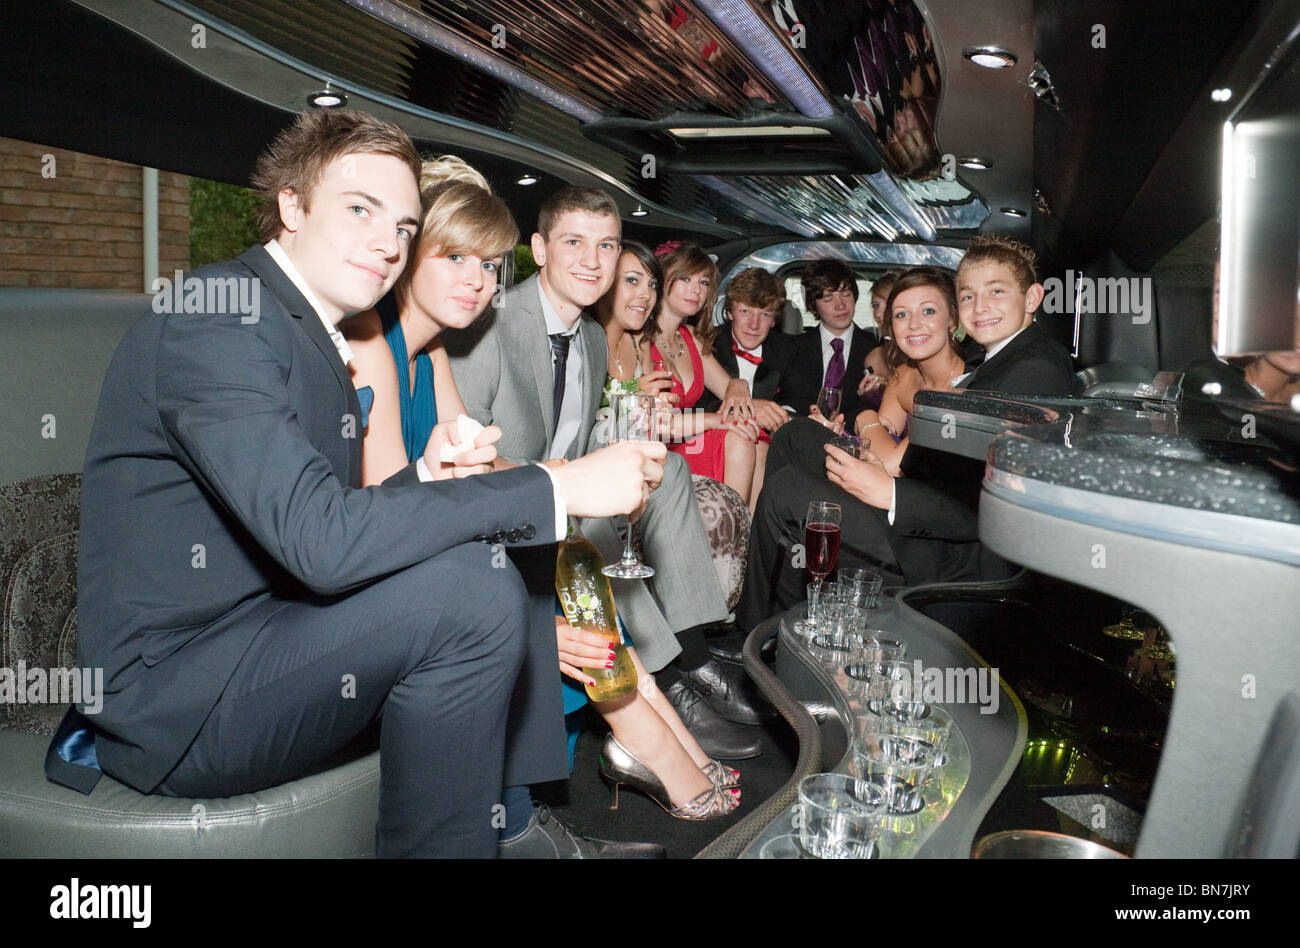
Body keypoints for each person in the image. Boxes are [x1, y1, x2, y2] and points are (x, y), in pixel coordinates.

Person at [45, 109, 664, 859]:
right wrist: (554, 486)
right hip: (177, 701)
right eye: (360, 210)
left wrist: (427, 476)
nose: (387, 244)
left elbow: (326, 521)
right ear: (293, 205)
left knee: (484, 568)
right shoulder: (219, 320)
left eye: (404, 227)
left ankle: (509, 825)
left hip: (261, 640)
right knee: (470, 591)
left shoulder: (305, 330)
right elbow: (319, 543)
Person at [344, 183, 739, 828]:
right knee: (570, 598)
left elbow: (467, 460)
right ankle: (656, 750)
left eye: (485, 265)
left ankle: (668, 737)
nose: (476, 282)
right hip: (421, 558)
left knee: (585, 583)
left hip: (475, 526)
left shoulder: (440, 347)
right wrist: (570, 483)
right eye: (454, 259)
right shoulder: (392, 343)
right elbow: (399, 510)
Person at [444, 187, 763, 759]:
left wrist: (627, 450)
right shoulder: (486, 324)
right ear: (539, 249)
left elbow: (583, 433)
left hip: (565, 497)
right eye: (574, 243)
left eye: (607, 246)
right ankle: (671, 679)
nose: (593, 261)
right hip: (503, 511)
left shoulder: (591, 335)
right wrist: (569, 480)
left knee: (670, 476)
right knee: (605, 524)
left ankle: (694, 653)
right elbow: (463, 462)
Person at [737, 236, 1077, 631]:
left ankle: (756, 634)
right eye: (968, 296)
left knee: (786, 490)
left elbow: (1007, 502)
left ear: (1033, 297)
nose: (979, 308)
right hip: (931, 511)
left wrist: (891, 492)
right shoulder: (999, 362)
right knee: (795, 435)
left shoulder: (1031, 370)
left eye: (996, 292)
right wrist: (877, 462)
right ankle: (792, 616)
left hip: (954, 555)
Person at [645, 245, 762, 506]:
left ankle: (740, 533)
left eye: (704, 282)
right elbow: (651, 425)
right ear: (661, 278)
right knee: (740, 436)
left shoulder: (693, 339)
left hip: (686, 441)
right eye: (685, 278)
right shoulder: (640, 337)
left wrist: (738, 383)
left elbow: (728, 389)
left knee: (749, 432)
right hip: (657, 447)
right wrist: (713, 420)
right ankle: (736, 532)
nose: (696, 289)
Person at [693, 266, 798, 509]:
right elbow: (696, 403)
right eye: (745, 311)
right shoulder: (706, 344)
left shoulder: (789, 350)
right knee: (754, 444)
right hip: (710, 435)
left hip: (771, 444)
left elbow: (799, 400)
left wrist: (778, 416)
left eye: (765, 315)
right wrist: (748, 410)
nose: (753, 324)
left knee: (762, 446)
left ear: (774, 321)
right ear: (729, 312)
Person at [783, 258, 881, 433]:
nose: (841, 305)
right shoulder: (792, 348)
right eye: (828, 298)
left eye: (846, 294)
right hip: (803, 436)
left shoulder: (878, 348)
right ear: (814, 304)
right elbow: (790, 400)